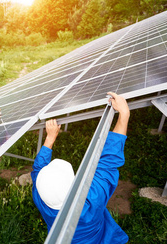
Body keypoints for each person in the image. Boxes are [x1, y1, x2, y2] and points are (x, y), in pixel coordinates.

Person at [31, 92, 130, 243]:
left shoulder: (40, 197)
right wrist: (124, 113)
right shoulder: (92, 200)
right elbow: (109, 161)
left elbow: (38, 170)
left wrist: (50, 138)